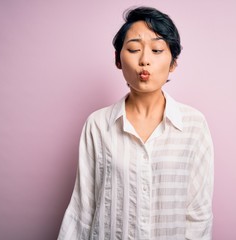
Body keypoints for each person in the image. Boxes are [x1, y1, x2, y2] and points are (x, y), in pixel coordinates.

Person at [58, 6, 214, 240]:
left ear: (173, 63)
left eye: (157, 49)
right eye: (133, 49)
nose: (144, 60)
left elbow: (198, 214)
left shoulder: (193, 125)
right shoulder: (98, 125)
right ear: (118, 60)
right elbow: (82, 209)